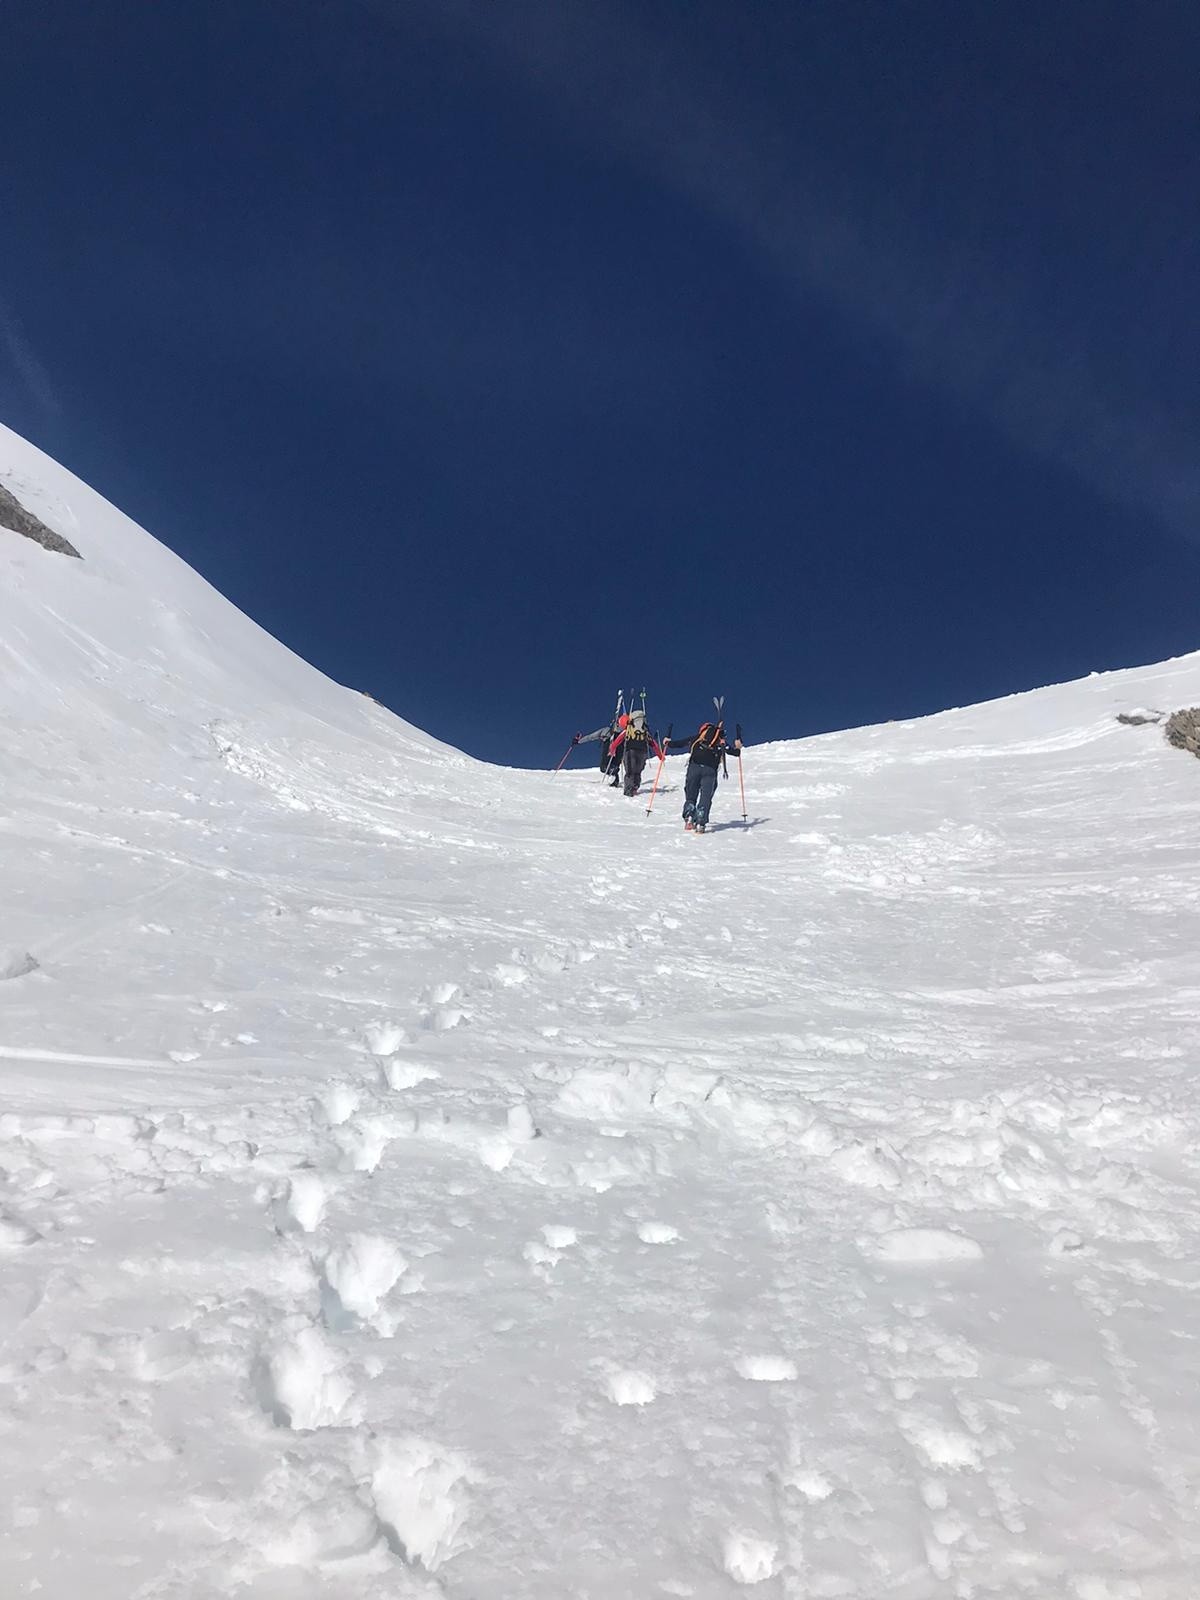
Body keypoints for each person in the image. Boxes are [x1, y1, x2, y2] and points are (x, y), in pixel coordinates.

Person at [665, 720, 742, 832]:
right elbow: (735, 753)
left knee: (691, 794)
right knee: (705, 796)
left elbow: (680, 743)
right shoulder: (720, 741)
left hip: (694, 767)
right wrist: (738, 746)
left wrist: (668, 742)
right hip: (710, 770)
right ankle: (701, 819)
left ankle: (689, 816)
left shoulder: (697, 738)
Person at [605, 708, 664, 796]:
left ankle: (628, 791)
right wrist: (660, 756)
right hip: (642, 752)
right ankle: (635, 787)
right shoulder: (645, 732)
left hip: (630, 751)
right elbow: (653, 744)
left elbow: (616, 742)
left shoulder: (627, 731)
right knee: (637, 771)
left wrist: (612, 751)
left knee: (630, 772)